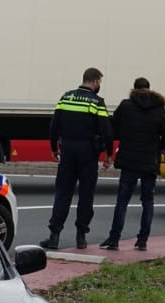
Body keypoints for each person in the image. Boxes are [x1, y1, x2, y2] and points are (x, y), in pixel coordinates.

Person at [42, 68, 113, 250]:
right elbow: (106, 130)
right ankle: (81, 237)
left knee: (63, 193)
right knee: (86, 194)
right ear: (95, 81)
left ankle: (54, 236)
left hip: (68, 150)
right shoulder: (97, 102)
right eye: (100, 83)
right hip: (88, 152)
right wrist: (109, 154)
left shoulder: (66, 98)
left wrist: (53, 148)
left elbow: (54, 125)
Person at [100, 77, 165, 252]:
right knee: (147, 201)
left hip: (129, 160)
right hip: (149, 161)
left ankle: (114, 239)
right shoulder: (158, 108)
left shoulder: (126, 106)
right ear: (149, 89)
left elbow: (113, 126)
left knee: (122, 201)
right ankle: (142, 241)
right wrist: (158, 147)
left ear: (134, 89)